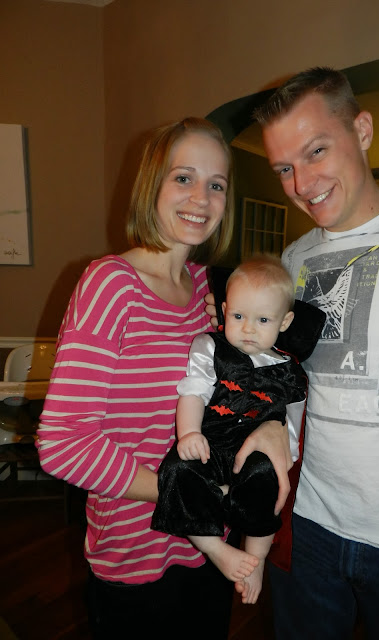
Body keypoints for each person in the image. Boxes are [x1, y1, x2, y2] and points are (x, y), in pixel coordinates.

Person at [206, 67, 379, 640]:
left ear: (363, 130)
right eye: (284, 167)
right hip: (308, 527)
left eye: (316, 151)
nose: (302, 182)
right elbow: (286, 377)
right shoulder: (294, 258)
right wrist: (274, 424)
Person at [36, 117, 288, 640]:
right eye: (183, 178)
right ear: (152, 184)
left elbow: (244, 388)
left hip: (210, 552)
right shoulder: (110, 285)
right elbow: (63, 444)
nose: (201, 198)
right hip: (134, 556)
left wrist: (270, 427)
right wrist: (189, 496)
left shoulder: (211, 294)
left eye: (216, 184)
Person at [151, 255, 308, 605]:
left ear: (285, 321)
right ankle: (216, 549)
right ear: (224, 311)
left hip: (253, 452)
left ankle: (256, 559)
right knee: (177, 472)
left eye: (263, 320)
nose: (248, 329)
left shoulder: (290, 371)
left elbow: (292, 421)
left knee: (266, 479)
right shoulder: (210, 347)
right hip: (209, 445)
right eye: (238, 316)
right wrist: (189, 433)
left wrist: (288, 456)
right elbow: (193, 392)